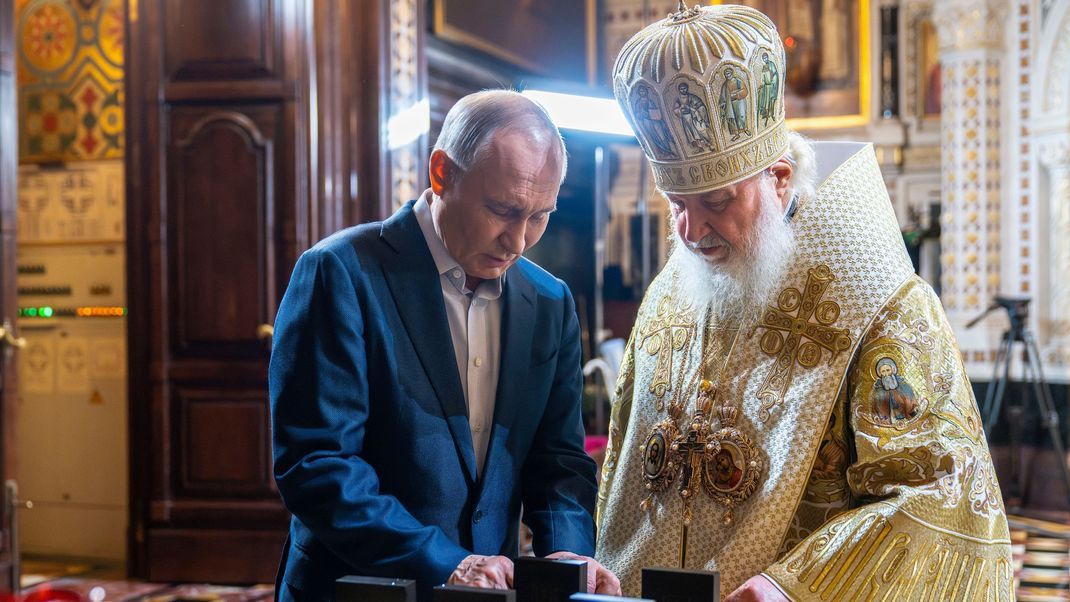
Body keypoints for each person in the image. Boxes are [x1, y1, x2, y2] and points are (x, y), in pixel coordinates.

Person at [600, 3, 1013, 600]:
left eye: (716, 201)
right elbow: (622, 470)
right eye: (678, 203)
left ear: (780, 178)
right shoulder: (669, 297)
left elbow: (944, 497)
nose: (691, 232)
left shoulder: (880, 305)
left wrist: (794, 586)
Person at [270, 90, 620, 601]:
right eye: (502, 210)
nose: (518, 241)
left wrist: (567, 554)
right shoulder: (340, 273)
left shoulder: (549, 301)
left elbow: (559, 461)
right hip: (354, 588)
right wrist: (448, 564)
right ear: (441, 173)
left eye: (540, 215)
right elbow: (317, 465)